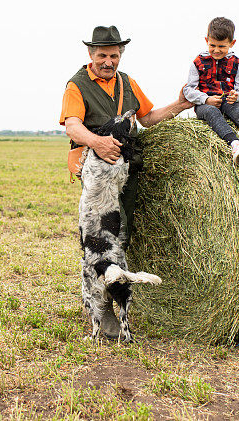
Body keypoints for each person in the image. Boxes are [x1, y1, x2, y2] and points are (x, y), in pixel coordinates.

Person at [59, 25, 192, 338]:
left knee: (123, 233)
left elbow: (147, 118)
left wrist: (181, 104)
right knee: (98, 238)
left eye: (114, 55)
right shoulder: (76, 86)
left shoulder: (127, 82)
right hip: (97, 172)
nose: (109, 61)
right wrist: (98, 143)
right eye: (103, 55)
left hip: (127, 169)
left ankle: (113, 295)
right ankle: (101, 310)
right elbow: (73, 127)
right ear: (91, 55)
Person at [182, 17, 239, 169]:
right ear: (206, 40)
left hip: (228, 101)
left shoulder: (237, 63)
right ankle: (236, 145)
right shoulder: (197, 62)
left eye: (222, 46)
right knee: (212, 112)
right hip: (205, 104)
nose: (216, 50)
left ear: (232, 43)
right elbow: (188, 90)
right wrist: (206, 99)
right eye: (213, 45)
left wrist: (237, 96)